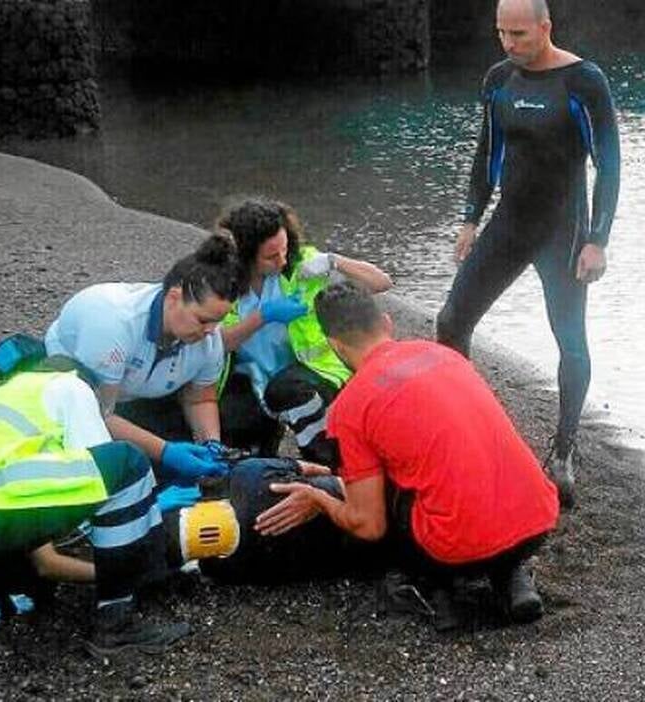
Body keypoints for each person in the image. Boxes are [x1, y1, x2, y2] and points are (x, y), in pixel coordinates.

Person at [254, 282, 559, 629]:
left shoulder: (351, 405)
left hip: (453, 549)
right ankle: (510, 574)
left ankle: (438, 586)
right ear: (386, 323)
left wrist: (318, 498)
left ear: (334, 345)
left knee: (384, 494)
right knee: (464, 456)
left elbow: (368, 525)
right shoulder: (445, 355)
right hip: (537, 524)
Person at [435, 0, 620, 509]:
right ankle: (464, 429)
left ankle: (563, 450)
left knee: (570, 339)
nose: (509, 43)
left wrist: (598, 240)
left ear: (545, 27)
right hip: (510, 224)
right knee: (451, 322)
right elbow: (487, 152)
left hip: (565, 232)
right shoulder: (499, 79)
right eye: (501, 33)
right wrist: (470, 219)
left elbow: (608, 163)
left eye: (518, 34)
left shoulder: (583, 81)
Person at [0, 354, 187, 652]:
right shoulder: (71, 385)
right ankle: (117, 624)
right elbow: (104, 480)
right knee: (126, 463)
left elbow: (44, 552)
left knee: (26, 581)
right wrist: (146, 513)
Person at [44, 235, 242, 487]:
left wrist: (211, 444)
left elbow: (200, 398)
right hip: (72, 391)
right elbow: (100, 415)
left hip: (134, 392)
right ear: (173, 298)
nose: (211, 331)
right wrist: (165, 451)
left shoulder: (208, 338)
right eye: (203, 320)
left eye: (218, 321)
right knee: (117, 474)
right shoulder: (112, 324)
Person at [215, 197, 393, 465]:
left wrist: (334, 261)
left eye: (285, 249)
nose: (282, 260)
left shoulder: (302, 265)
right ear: (245, 256)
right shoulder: (225, 282)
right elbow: (218, 343)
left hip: (312, 373)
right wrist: (263, 316)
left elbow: (381, 282)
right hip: (253, 378)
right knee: (238, 439)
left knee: (286, 392)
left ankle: (330, 462)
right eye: (271, 256)